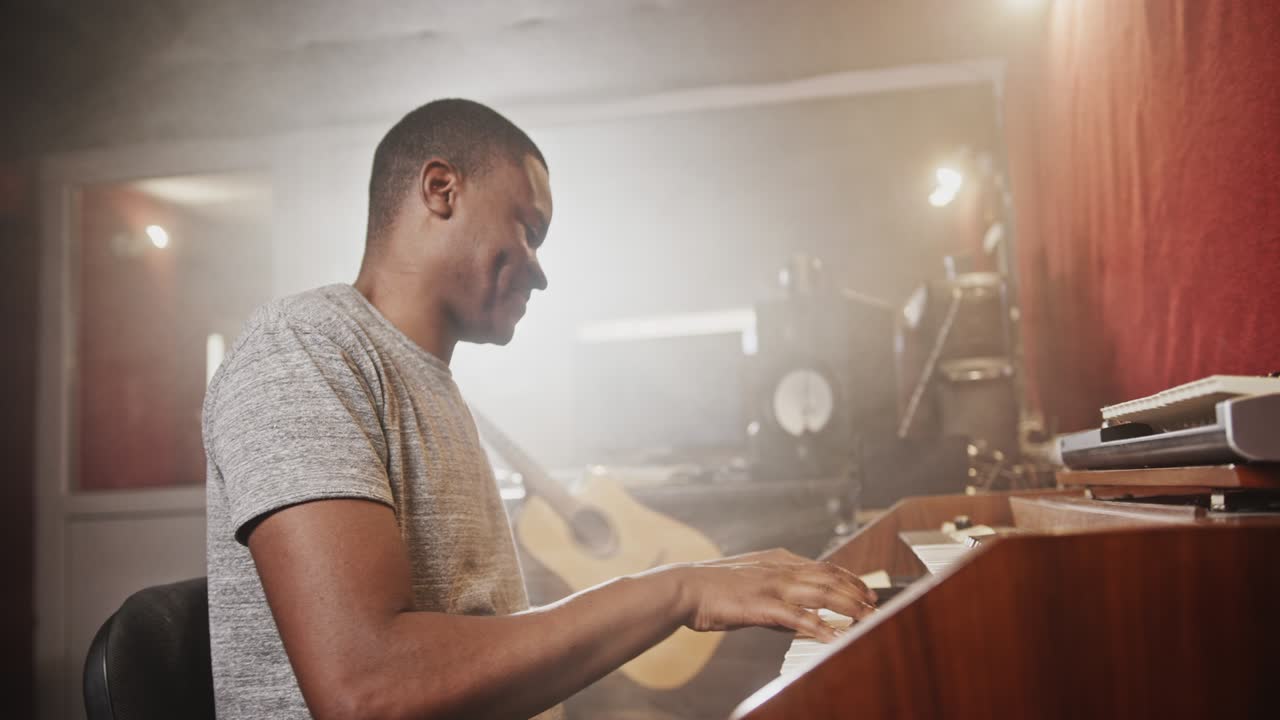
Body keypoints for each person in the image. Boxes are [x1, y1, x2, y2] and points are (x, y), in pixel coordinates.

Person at [203, 98, 876, 720]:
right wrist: (678, 590)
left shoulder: (434, 387)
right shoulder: (303, 349)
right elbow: (370, 688)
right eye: (527, 229)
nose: (539, 270)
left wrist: (692, 583)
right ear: (442, 190)